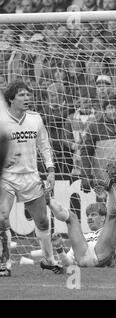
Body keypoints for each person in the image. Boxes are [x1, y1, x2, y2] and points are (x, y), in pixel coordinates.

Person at [0, 81, 63, 277]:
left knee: (43, 222)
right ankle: (5, 263)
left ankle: (48, 260)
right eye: (21, 95)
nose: (27, 98)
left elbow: (44, 146)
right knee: (2, 218)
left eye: (28, 95)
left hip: (31, 176)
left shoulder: (35, 119)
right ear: (11, 99)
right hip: (7, 177)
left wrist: (51, 171)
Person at [47, 163, 116, 267]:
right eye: (88, 215)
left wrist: (107, 198)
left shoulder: (115, 228)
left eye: (93, 215)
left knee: (112, 217)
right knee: (72, 217)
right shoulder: (84, 237)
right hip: (83, 257)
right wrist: (59, 249)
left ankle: (111, 186)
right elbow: (68, 263)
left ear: (103, 218)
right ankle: (48, 200)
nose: (89, 218)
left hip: (102, 255)